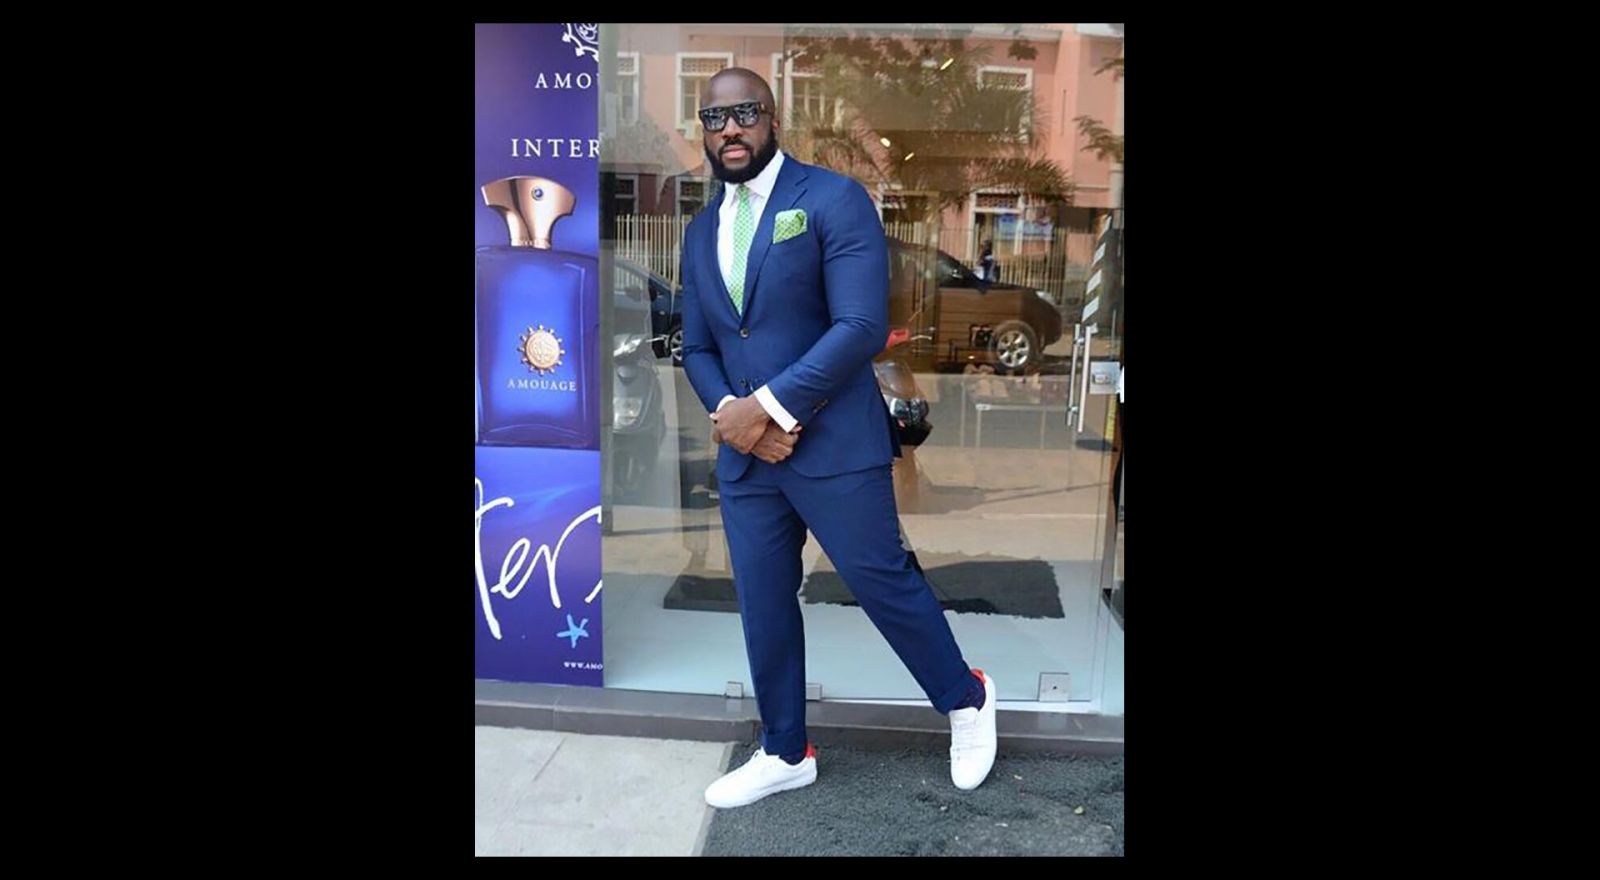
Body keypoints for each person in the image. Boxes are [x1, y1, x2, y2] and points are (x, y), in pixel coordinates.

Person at [680, 68, 997, 809]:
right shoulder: (701, 229)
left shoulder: (832, 199)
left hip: (834, 445)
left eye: (745, 112)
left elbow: (858, 327)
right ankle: (785, 749)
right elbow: (697, 346)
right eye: (715, 117)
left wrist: (767, 409)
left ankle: (967, 698)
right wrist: (735, 416)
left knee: (880, 582)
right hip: (749, 459)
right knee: (763, 602)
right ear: (704, 130)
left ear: (773, 119)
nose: (730, 129)